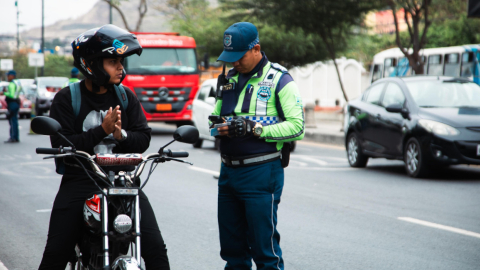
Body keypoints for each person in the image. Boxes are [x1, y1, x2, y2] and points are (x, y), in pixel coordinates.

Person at [38, 24, 170, 270]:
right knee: (56, 252)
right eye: (113, 61)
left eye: (121, 61)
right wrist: (102, 131)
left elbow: (143, 138)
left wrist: (121, 135)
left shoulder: (126, 97)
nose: (121, 67)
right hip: (80, 181)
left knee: (155, 250)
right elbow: (61, 143)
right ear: (92, 64)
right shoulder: (67, 99)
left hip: (123, 182)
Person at [211, 22, 305, 270]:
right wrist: (217, 126)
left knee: (265, 251)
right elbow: (216, 116)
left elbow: (297, 127)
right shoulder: (228, 78)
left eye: (239, 57)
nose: (234, 63)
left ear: (256, 49)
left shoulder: (280, 79)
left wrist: (255, 128)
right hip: (228, 173)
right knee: (233, 252)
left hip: (261, 173)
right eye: (230, 58)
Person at [4, 70, 22, 143]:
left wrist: (4, 93)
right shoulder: (18, 82)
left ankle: (13, 137)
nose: (7, 77)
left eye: (8, 75)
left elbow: (11, 95)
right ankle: (16, 137)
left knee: (12, 120)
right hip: (17, 102)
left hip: (12, 103)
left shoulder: (11, 84)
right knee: (15, 120)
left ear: (12, 76)